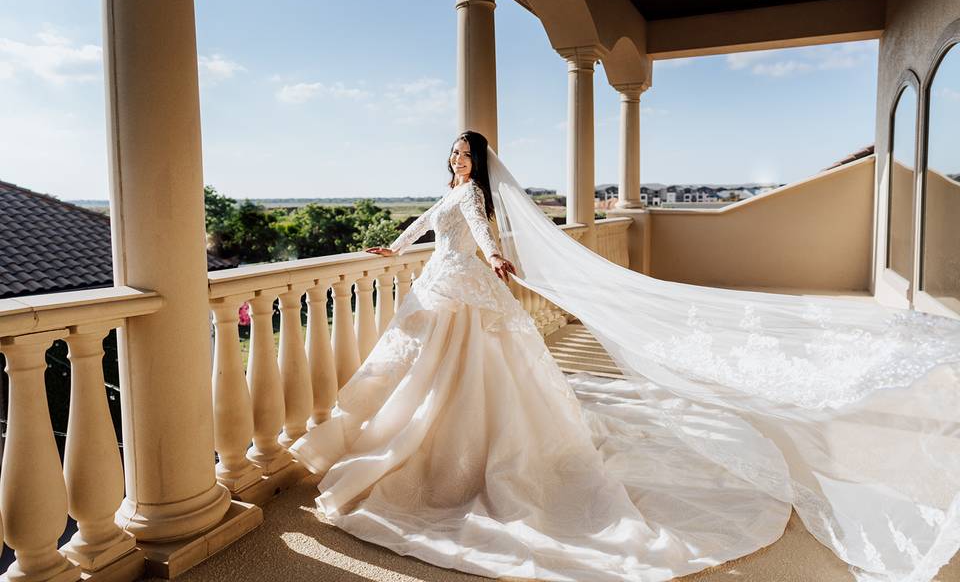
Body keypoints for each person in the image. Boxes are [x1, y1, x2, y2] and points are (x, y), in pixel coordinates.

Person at [290, 130, 960, 582]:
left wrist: (497, 260)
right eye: (455, 153)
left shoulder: (472, 194)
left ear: (478, 164)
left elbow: (484, 231)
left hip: (464, 288)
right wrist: (391, 249)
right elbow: (424, 227)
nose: (459, 161)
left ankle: (451, 454)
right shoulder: (449, 191)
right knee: (423, 371)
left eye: (467, 154)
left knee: (463, 377)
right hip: (439, 285)